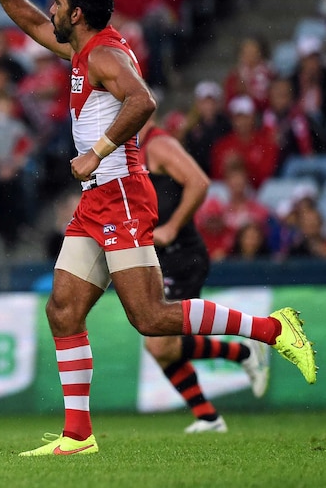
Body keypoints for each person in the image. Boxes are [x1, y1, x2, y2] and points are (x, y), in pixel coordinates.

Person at [0, 0, 315, 457]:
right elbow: (35, 25)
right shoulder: (84, 47)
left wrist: (97, 151)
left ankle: (274, 330)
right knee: (63, 310)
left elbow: (145, 101)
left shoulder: (106, 59)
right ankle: (78, 435)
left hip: (122, 195)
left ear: (80, 15)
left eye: (61, 1)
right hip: (96, 201)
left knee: (151, 317)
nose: (53, 7)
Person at [138, 114, 270, 433]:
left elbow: (200, 182)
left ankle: (243, 352)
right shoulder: (134, 151)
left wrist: (171, 227)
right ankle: (208, 417)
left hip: (183, 256)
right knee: (159, 345)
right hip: (162, 258)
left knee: (159, 344)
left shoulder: (159, 144)